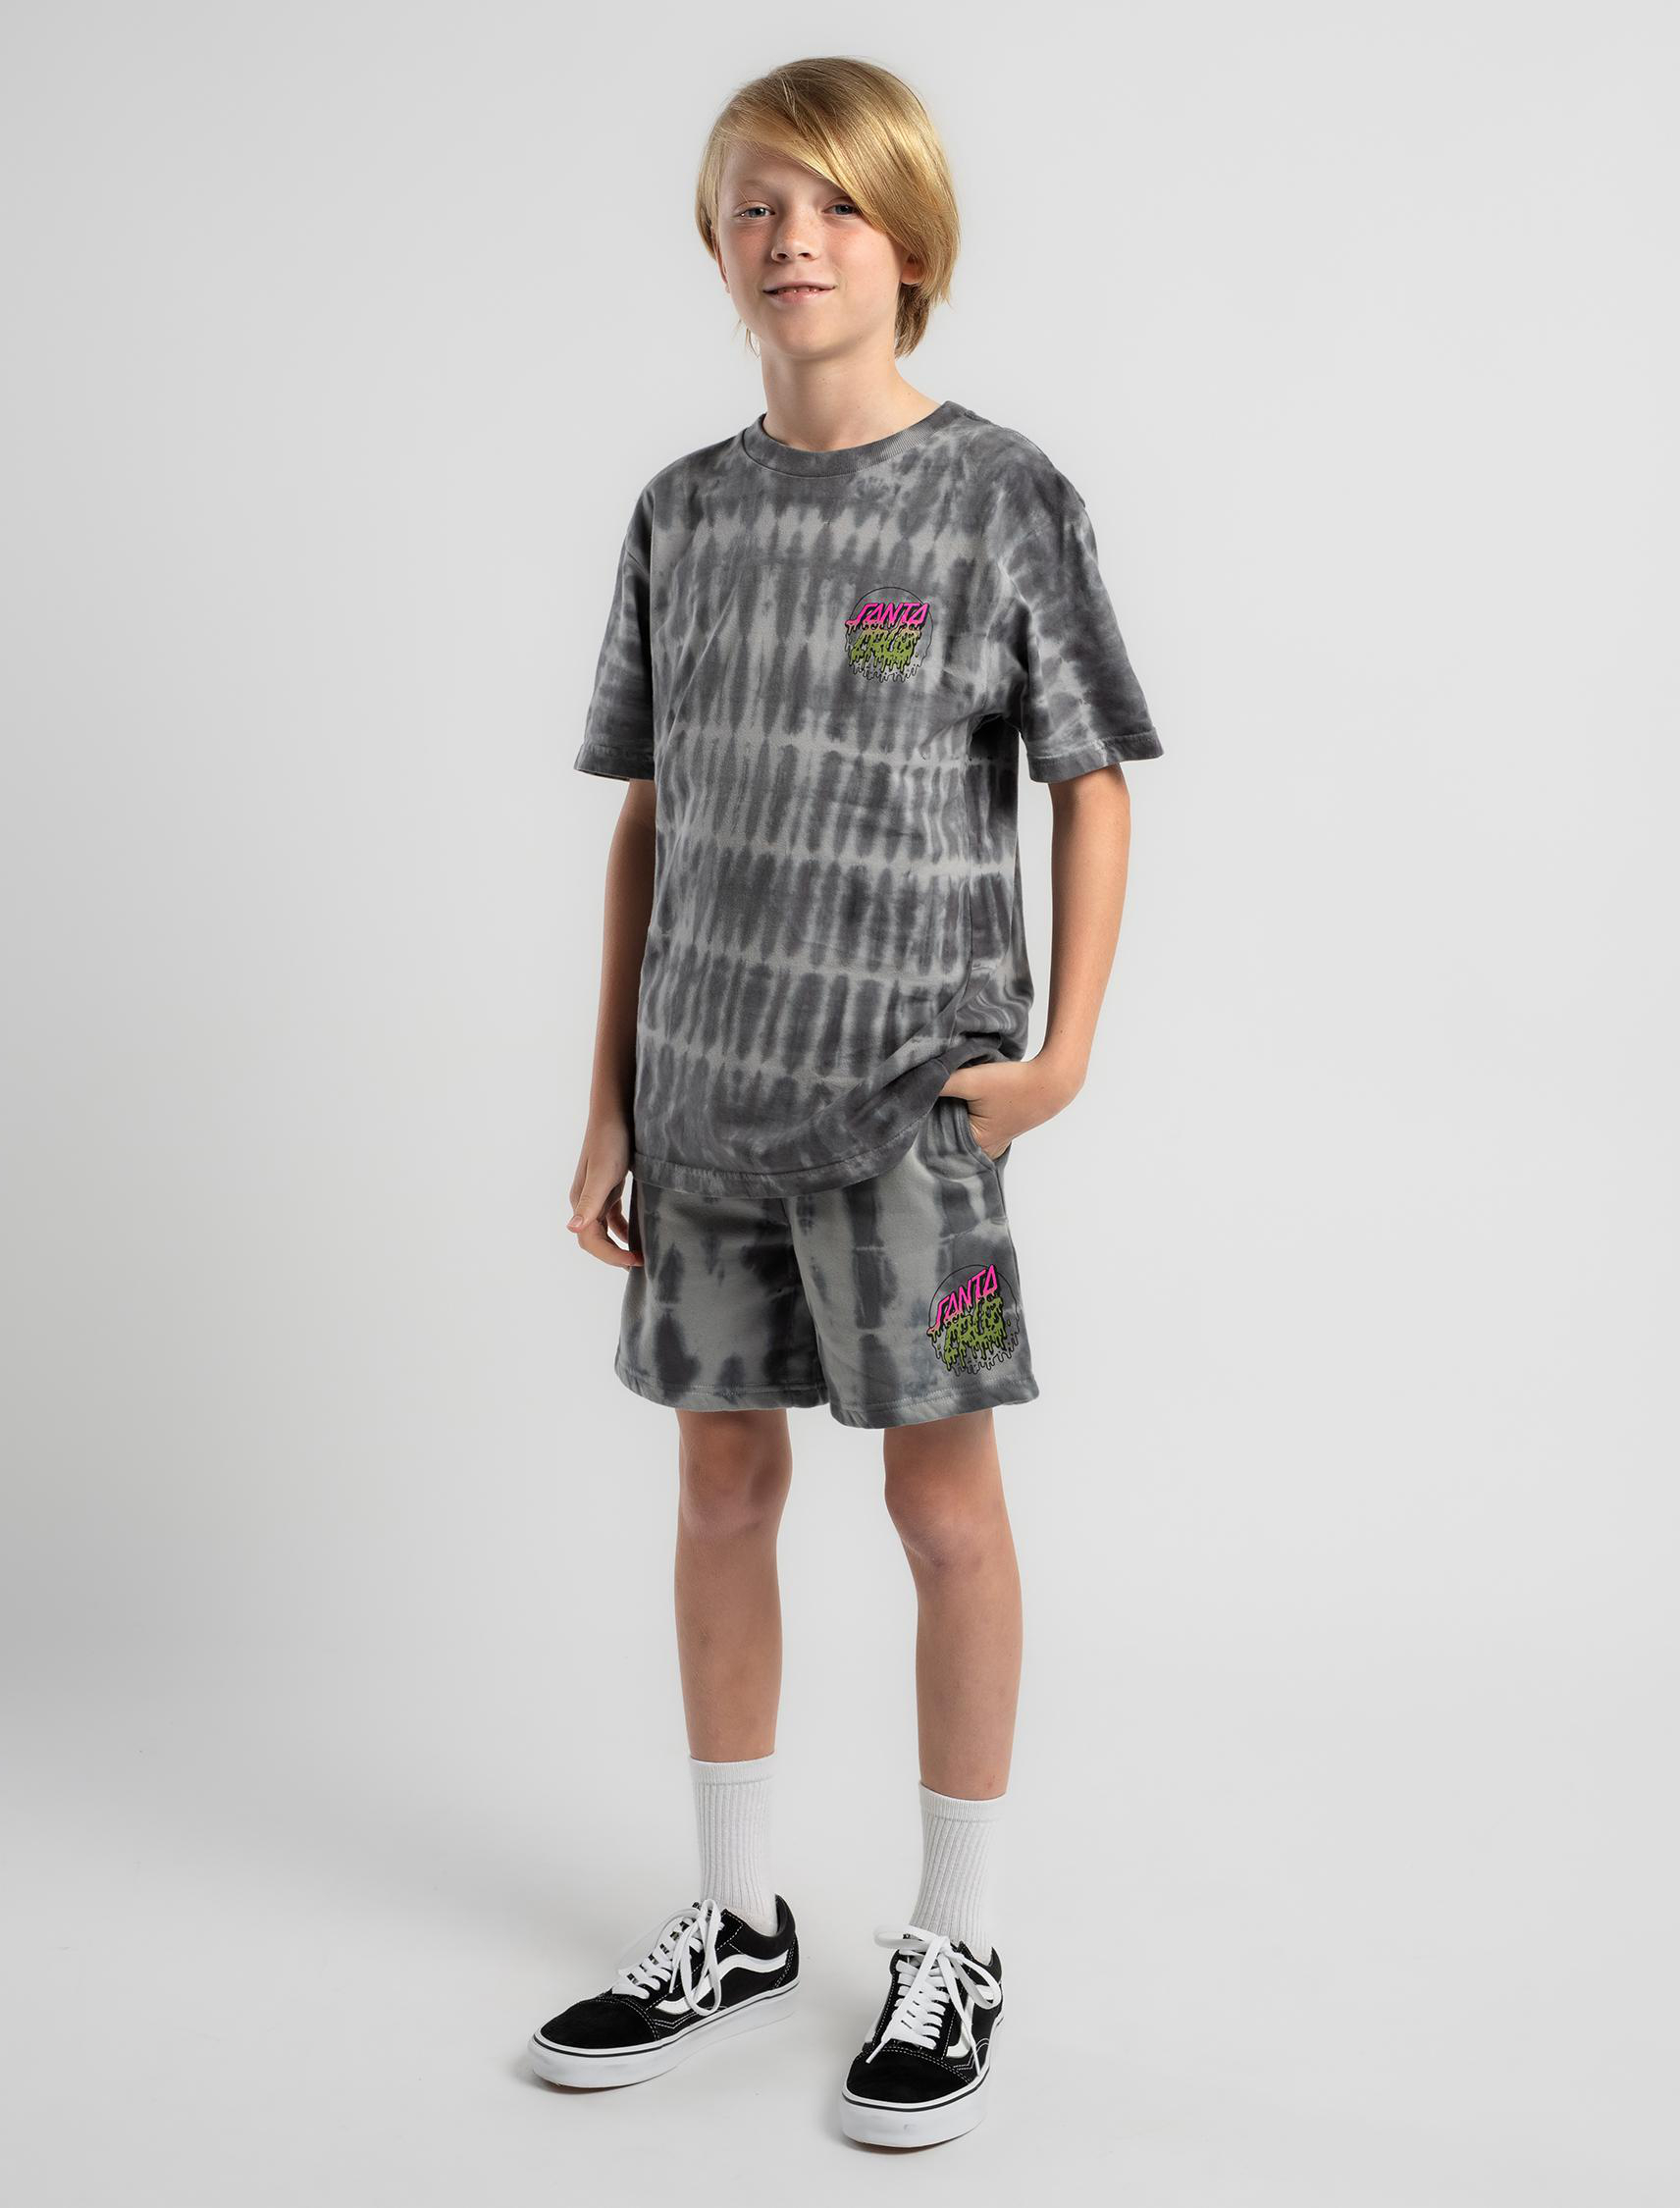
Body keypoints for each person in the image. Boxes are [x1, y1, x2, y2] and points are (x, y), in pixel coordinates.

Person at [528, 56, 1162, 2149]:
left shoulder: (997, 497)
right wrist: (609, 1102)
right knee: (721, 1494)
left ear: (911, 245)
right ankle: (735, 1918)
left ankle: (955, 1938)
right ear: (715, 246)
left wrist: (1061, 1052)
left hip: (913, 1114)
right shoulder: (683, 516)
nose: (792, 239)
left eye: (836, 207)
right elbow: (650, 816)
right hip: (705, 1101)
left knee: (942, 1513)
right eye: (754, 205)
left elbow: (1089, 779)